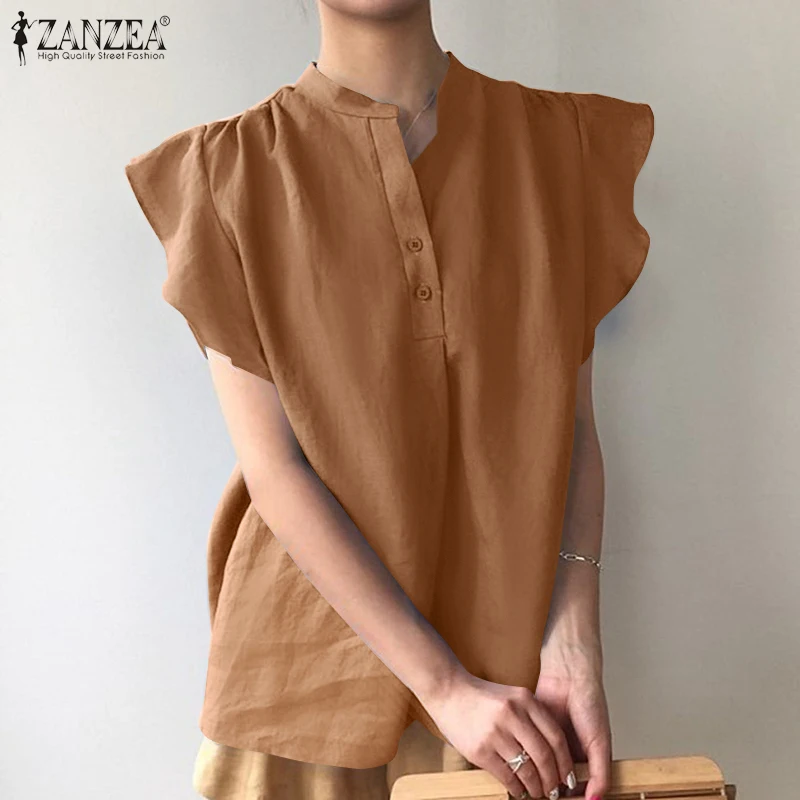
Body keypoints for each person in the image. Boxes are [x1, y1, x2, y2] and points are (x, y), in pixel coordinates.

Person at [123, 2, 655, 799]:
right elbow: (273, 468)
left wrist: (575, 642)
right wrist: (443, 687)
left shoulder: (560, 148)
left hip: (509, 704)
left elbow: (571, 427)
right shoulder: (224, 175)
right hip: (302, 700)